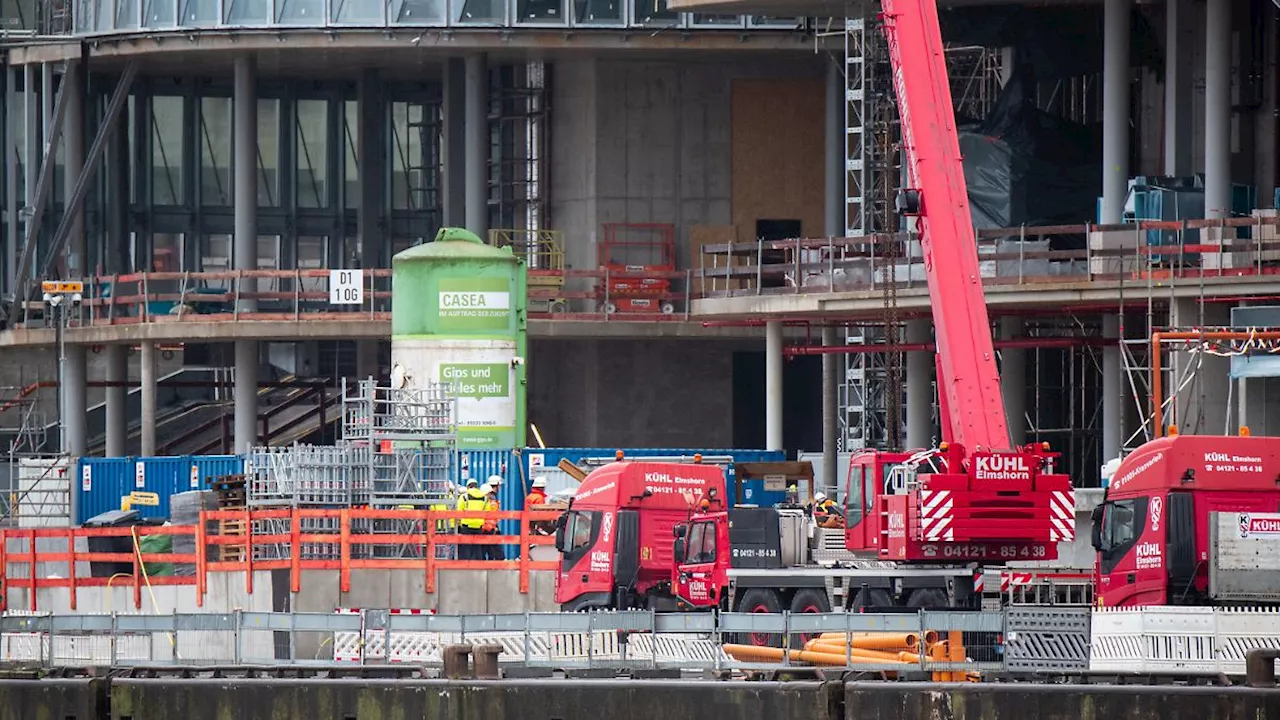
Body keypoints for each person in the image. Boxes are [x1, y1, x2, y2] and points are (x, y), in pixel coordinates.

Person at [455, 478, 488, 560]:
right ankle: (478, 566)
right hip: (479, 526)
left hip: (466, 525)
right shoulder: (485, 498)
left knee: (466, 547)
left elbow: (458, 510)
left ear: (468, 487)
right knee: (477, 547)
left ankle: (466, 566)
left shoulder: (464, 497)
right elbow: (488, 511)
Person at [481, 482, 503, 561]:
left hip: (484, 528)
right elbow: (493, 516)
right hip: (489, 528)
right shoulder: (492, 501)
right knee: (493, 550)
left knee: (484, 550)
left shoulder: (483, 500)